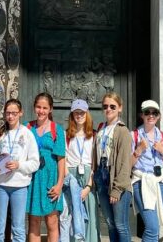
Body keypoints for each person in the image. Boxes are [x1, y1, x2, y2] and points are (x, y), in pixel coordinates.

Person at [0, 99, 40, 242]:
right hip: (0, 185)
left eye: (14, 113)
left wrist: (19, 165)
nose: (10, 116)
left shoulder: (27, 134)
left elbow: (35, 162)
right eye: (8, 113)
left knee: (18, 228)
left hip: (19, 186)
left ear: (21, 113)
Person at [130, 100, 163, 242]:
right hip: (141, 182)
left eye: (154, 112)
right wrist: (139, 150)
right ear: (141, 115)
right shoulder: (133, 135)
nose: (151, 115)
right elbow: (128, 165)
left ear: (158, 116)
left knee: (155, 227)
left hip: (161, 183)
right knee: (152, 228)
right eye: (147, 112)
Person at [93, 92, 133, 242]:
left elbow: (124, 163)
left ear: (120, 108)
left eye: (112, 106)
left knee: (121, 225)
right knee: (110, 224)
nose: (108, 109)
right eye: (105, 106)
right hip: (101, 177)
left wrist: (117, 189)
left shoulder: (123, 131)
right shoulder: (101, 128)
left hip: (117, 181)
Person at [27, 93, 66, 242]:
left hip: (51, 180)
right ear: (34, 108)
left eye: (45, 108)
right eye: (38, 107)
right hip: (32, 180)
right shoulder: (27, 127)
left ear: (50, 109)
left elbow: (61, 159)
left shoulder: (57, 130)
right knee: (34, 222)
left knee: (52, 221)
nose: (41, 111)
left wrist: (59, 184)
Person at [60, 98, 100, 242]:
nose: (79, 115)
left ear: (87, 113)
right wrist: (71, 181)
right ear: (72, 115)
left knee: (90, 214)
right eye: (76, 113)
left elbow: (95, 162)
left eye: (82, 112)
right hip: (71, 177)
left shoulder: (94, 135)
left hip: (89, 176)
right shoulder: (66, 135)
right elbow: (63, 159)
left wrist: (88, 186)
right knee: (72, 213)